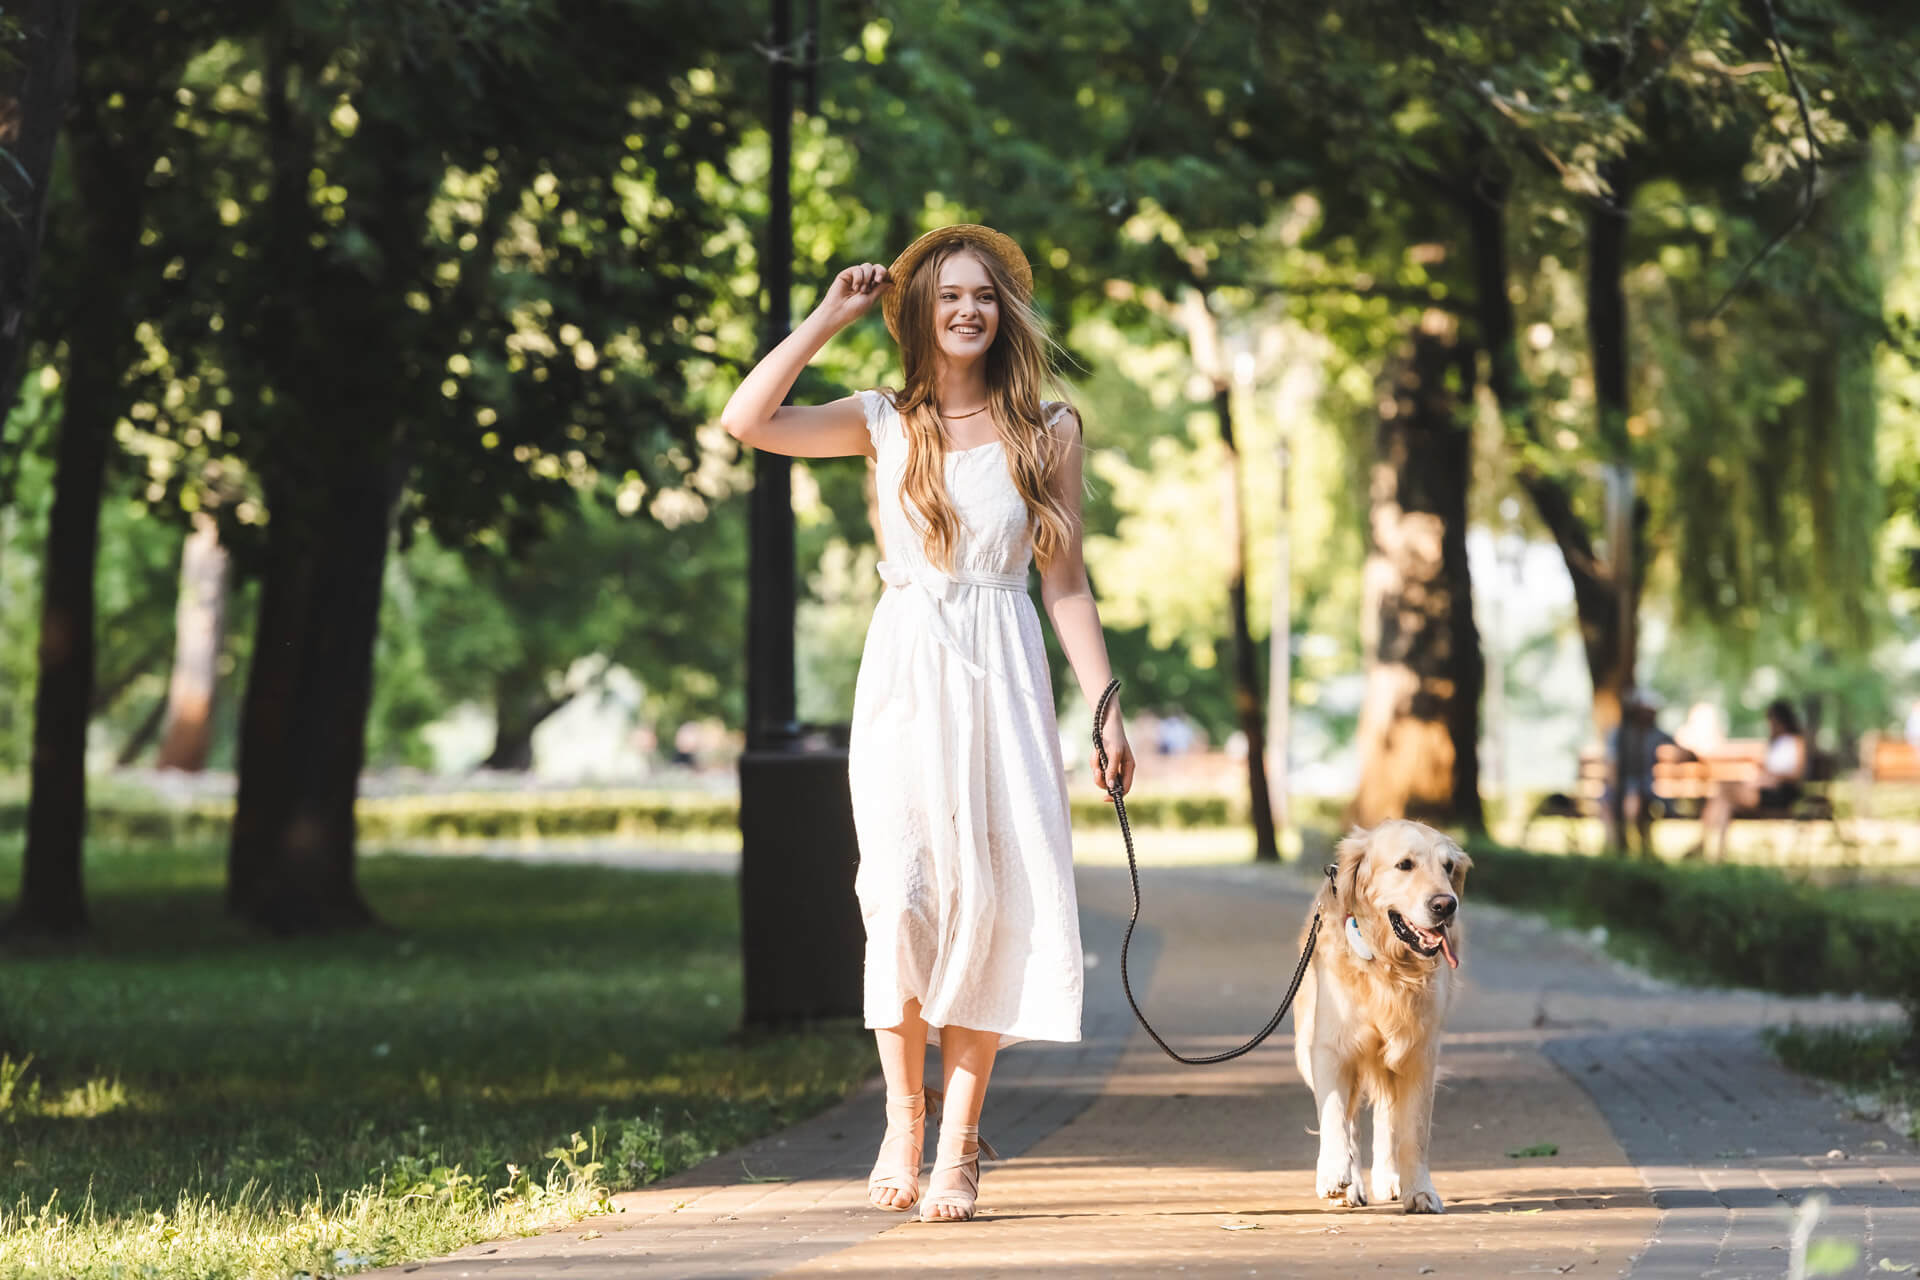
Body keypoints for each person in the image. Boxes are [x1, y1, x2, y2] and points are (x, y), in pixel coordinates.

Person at [719, 224, 1135, 1223]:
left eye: (984, 294)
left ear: (1005, 313)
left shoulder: (1050, 431)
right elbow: (747, 419)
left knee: (985, 899)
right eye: (948, 293)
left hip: (1002, 671)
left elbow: (1067, 584)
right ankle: (903, 1117)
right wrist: (826, 317)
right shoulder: (880, 420)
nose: (966, 309)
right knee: (900, 896)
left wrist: (1107, 707)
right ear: (920, 310)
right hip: (907, 672)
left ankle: (960, 1142)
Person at [1691, 697, 1806, 860]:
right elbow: (1767, 769)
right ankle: (1717, 854)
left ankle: (1702, 842)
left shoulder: (1796, 742)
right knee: (1725, 802)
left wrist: (1773, 776)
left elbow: (1796, 774)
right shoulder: (1775, 744)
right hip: (1764, 789)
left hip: (1781, 793)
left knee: (1724, 790)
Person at [1604, 689, 1692, 856]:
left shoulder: (1655, 735)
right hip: (1623, 786)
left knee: (1633, 797)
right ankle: (1615, 846)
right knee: (1609, 799)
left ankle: (1636, 850)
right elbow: (1612, 764)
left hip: (1646, 787)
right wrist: (1615, 787)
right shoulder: (1619, 734)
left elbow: (1684, 751)